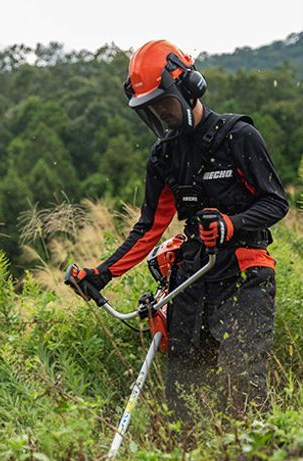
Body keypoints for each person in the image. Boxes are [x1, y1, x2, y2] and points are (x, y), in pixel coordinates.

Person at [69, 40, 289, 422]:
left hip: (244, 273)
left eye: (165, 103)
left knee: (244, 390)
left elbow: (276, 203)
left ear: (188, 88)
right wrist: (101, 274)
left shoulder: (238, 137)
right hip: (191, 279)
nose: (161, 114)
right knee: (186, 396)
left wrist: (231, 224)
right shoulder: (164, 156)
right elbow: (149, 227)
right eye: (151, 108)